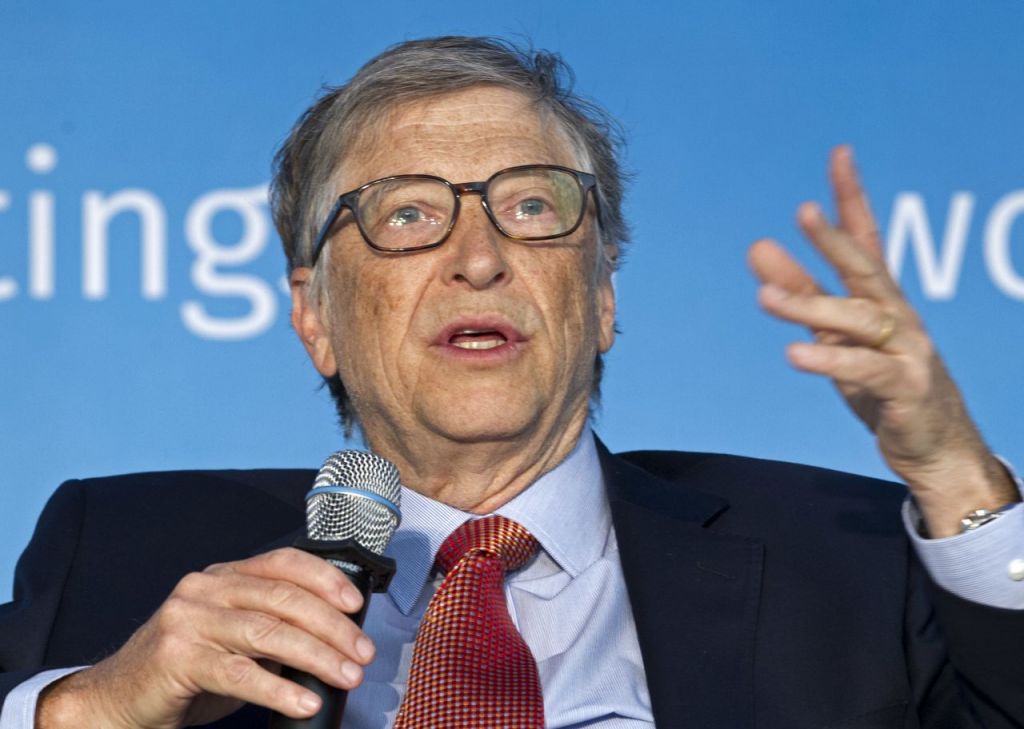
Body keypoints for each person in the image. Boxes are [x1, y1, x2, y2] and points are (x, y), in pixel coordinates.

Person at [2, 36, 1023, 729]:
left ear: (602, 295)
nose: (479, 257)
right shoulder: (121, 553)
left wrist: (956, 477)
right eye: (407, 214)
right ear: (315, 315)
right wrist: (94, 708)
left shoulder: (846, 558)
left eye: (532, 206)